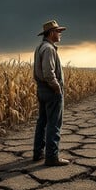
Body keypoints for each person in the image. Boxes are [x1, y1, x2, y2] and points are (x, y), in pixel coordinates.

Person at [33, 19, 70, 166]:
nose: (60, 34)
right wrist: (57, 88)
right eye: (58, 31)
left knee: (42, 122)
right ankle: (52, 157)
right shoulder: (48, 49)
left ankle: (38, 153)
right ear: (51, 33)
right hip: (50, 90)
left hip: (41, 89)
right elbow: (48, 73)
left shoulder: (40, 47)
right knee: (54, 124)